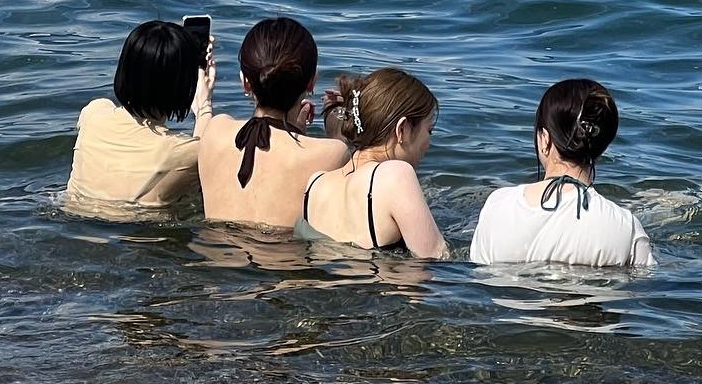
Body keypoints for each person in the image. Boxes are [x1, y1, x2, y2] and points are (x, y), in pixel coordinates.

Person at [470, 78, 655, 269]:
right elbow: (646, 282)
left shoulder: (497, 206)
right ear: (602, 147)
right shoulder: (626, 228)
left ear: (545, 140)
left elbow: (477, 273)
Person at [198, 16, 348, 227]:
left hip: (211, 247)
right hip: (287, 249)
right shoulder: (332, 153)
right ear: (312, 81)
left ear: (245, 82)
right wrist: (338, 132)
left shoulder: (215, 130)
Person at [299, 67, 448, 258]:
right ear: (402, 129)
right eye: (429, 130)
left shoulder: (316, 183)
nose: (429, 142)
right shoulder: (395, 176)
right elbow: (436, 257)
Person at [66, 19, 214, 211]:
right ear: (184, 85)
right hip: (138, 229)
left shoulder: (93, 113)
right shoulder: (184, 152)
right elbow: (207, 151)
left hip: (73, 216)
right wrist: (204, 106)